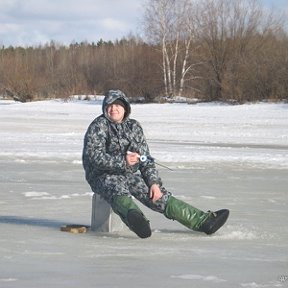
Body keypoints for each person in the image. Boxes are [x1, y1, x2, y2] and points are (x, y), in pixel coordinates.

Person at [82, 89, 229, 238]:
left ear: (125, 107)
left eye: (117, 105)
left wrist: (153, 183)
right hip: (101, 175)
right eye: (109, 106)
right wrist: (122, 161)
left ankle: (202, 221)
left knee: (155, 195)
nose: (113, 109)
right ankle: (138, 221)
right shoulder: (98, 126)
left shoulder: (134, 127)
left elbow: (145, 159)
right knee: (117, 188)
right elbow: (94, 156)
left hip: (126, 173)